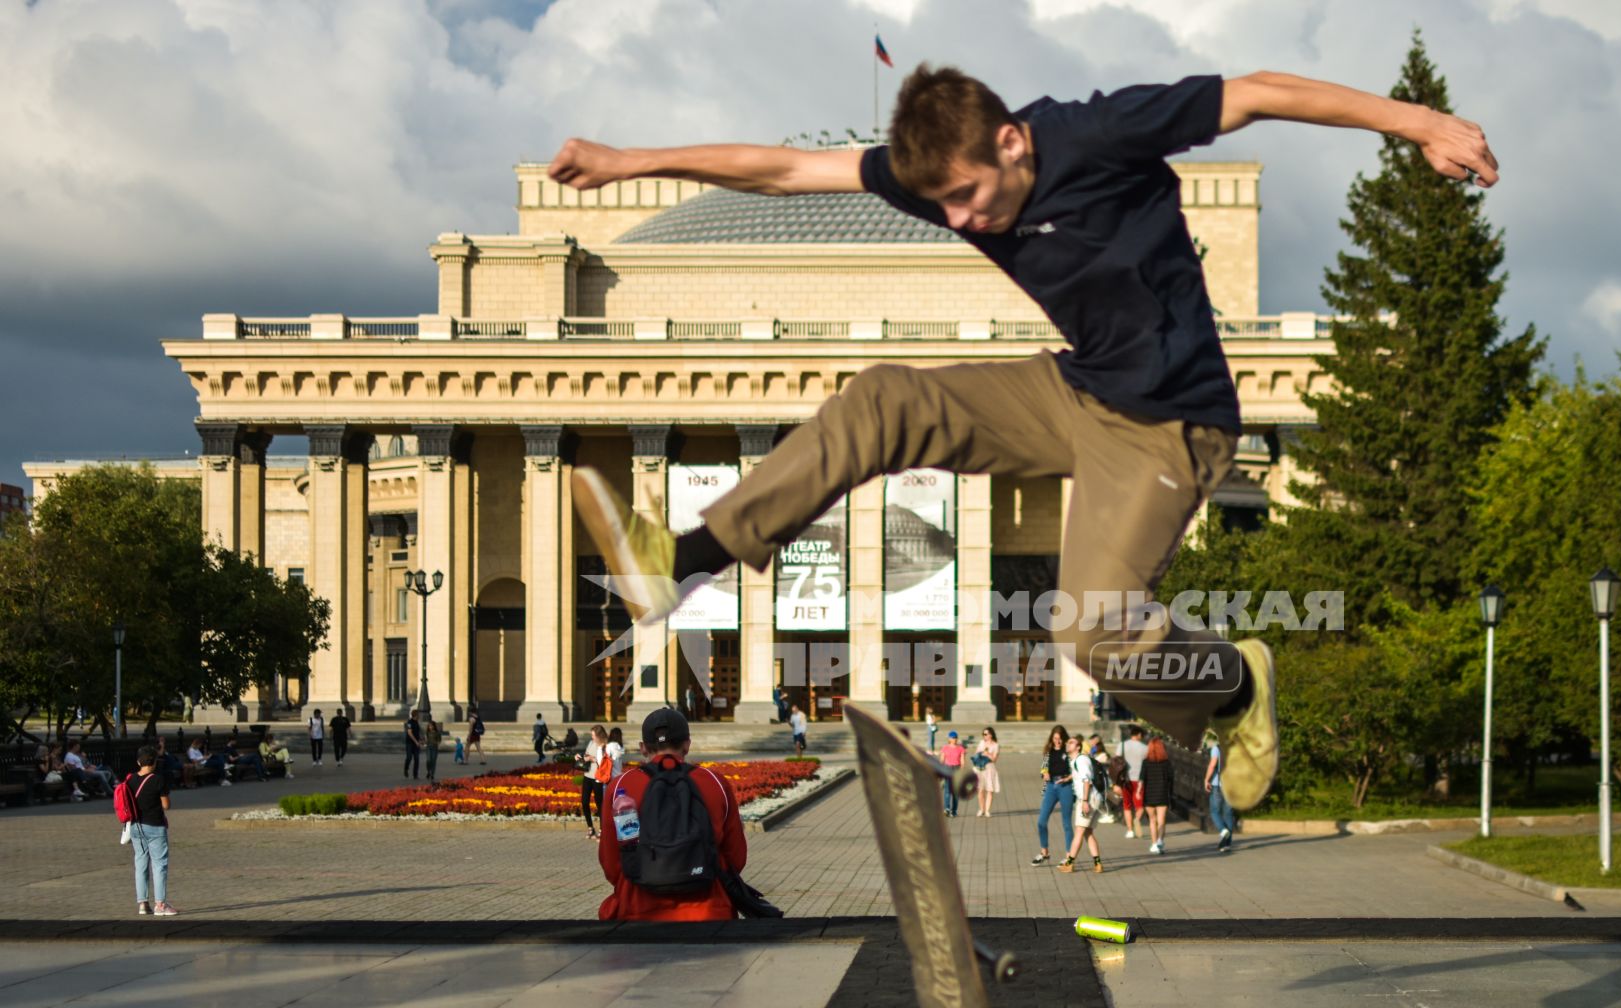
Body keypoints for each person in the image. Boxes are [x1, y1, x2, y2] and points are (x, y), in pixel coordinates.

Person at [546, 60, 1480, 813]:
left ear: (1011, 138)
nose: (960, 221)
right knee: (880, 401)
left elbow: (1263, 93)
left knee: (1087, 626)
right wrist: (631, 163)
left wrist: (1420, 124)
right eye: (942, 206)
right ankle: (687, 557)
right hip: (1073, 388)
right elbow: (788, 170)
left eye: (968, 197)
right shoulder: (943, 173)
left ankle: (1236, 684)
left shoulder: (1101, 131)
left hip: (1172, 423)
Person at [597, 706, 748, 921]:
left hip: (638, 909)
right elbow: (736, 857)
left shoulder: (620, 787)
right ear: (687, 744)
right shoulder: (714, 783)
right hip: (710, 912)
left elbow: (611, 863)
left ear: (643, 747)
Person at [125, 746, 177, 917]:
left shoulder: (130, 780)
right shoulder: (157, 780)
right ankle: (160, 905)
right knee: (159, 864)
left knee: (140, 864)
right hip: (155, 826)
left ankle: (142, 903)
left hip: (135, 826)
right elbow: (166, 805)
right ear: (154, 762)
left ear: (138, 761)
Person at [1059, 734, 1103, 873]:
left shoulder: (1081, 760)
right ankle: (1097, 864)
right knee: (1087, 832)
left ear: (1078, 747)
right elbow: (1080, 775)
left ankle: (1070, 863)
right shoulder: (1077, 760)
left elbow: (1086, 781)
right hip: (1091, 798)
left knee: (1079, 831)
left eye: (1071, 743)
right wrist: (1067, 779)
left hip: (1088, 799)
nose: (1068, 744)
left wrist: (1084, 801)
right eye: (1067, 742)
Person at [1031, 723, 1074, 866]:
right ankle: (1045, 852)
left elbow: (1076, 770)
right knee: (1041, 821)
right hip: (1050, 787)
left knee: (1066, 824)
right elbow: (1043, 768)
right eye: (1055, 738)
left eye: (1060, 739)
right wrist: (1045, 773)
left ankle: (1069, 857)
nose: (1057, 741)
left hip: (1065, 787)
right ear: (1051, 738)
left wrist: (1067, 778)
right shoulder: (1048, 751)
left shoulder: (1068, 751)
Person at [1139, 734, 1173, 854]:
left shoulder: (1146, 762)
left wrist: (1138, 792)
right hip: (1162, 793)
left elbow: (1141, 779)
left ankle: (1154, 844)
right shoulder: (1166, 763)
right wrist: (1171, 793)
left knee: (1152, 821)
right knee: (1161, 820)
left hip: (1149, 794)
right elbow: (1171, 779)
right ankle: (1160, 841)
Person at [1203, 731, 1234, 851]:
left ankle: (1222, 830)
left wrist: (1206, 779)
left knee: (1214, 811)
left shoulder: (1217, 748)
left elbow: (1212, 765)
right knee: (1228, 814)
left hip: (1218, 784)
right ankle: (1226, 844)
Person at [1119, 724, 1149, 840]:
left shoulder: (1122, 746)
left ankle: (1130, 830)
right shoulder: (1144, 748)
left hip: (1125, 779)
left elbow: (1116, 761)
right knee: (1140, 805)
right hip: (1139, 779)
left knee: (1126, 805)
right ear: (1139, 735)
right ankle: (1137, 819)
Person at [581, 724, 608, 839]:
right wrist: (582, 757)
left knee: (599, 804)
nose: (592, 737)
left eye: (593, 735)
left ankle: (602, 829)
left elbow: (605, 761)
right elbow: (586, 754)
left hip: (598, 777)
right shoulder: (591, 743)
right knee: (584, 801)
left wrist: (592, 759)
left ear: (599, 735)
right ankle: (590, 828)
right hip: (588, 775)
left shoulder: (605, 746)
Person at [938, 730, 966, 817]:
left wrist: (962, 770)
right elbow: (942, 759)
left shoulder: (961, 748)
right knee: (947, 789)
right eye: (952, 738)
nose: (954, 739)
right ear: (949, 739)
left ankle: (954, 811)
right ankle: (947, 808)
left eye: (955, 738)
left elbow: (962, 760)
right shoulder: (945, 748)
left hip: (956, 768)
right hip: (947, 768)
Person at [974, 727, 1000, 818]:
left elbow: (994, 759)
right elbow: (976, 753)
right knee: (980, 790)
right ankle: (981, 809)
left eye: (985, 734)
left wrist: (988, 753)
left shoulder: (995, 745)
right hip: (980, 768)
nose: (984, 736)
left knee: (989, 790)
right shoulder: (981, 743)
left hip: (990, 768)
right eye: (983, 734)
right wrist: (981, 752)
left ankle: (987, 810)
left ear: (990, 735)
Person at [403, 711, 423, 779]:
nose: (419, 716)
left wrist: (420, 740)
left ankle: (415, 774)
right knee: (409, 757)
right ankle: (406, 769)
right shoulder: (409, 722)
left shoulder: (417, 722)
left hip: (416, 744)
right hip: (410, 743)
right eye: (418, 715)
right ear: (415, 715)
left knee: (417, 759)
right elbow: (409, 733)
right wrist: (416, 742)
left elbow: (418, 732)